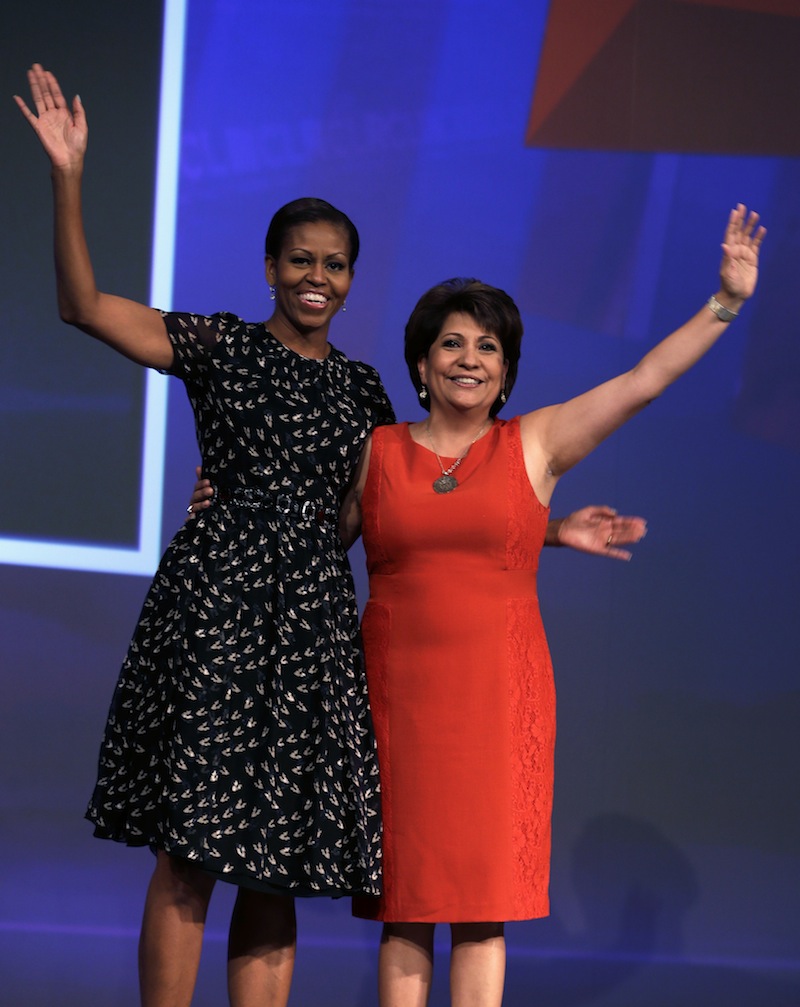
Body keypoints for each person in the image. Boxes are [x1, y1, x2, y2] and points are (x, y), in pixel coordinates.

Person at [15, 64, 645, 1007]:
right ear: (271, 267)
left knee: (276, 859)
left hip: (312, 623)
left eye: (335, 263)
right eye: (301, 259)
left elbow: (415, 501)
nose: (318, 277)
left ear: (353, 280)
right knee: (191, 845)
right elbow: (84, 307)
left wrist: (548, 530)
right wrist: (68, 175)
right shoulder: (222, 346)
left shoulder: (362, 394)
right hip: (221, 601)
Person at [338, 205, 764, 1007]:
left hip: (498, 701)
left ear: (506, 371)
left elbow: (643, 381)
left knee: (478, 908)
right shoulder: (375, 450)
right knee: (404, 904)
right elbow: (308, 544)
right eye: (452, 343)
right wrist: (222, 504)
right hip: (395, 703)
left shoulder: (533, 443)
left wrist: (725, 303)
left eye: (488, 346)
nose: (470, 358)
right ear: (421, 364)